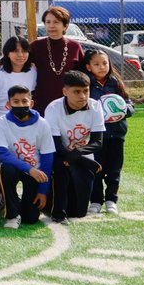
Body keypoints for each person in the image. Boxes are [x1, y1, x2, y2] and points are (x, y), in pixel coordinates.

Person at [44, 70, 105, 224]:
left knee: (79, 212)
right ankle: (56, 210)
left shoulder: (95, 106)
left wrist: (78, 155)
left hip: (81, 155)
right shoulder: (53, 108)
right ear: (65, 91)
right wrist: (85, 161)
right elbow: (55, 144)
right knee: (60, 170)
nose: (82, 96)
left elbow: (97, 142)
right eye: (76, 92)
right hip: (60, 154)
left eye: (86, 91)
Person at [0, 85, 55, 229]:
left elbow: (47, 158)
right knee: (6, 169)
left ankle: (11, 203)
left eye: (24, 101)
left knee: (30, 217)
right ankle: (12, 214)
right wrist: (29, 169)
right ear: (8, 105)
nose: (21, 105)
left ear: (31, 103)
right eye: (16, 102)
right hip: (16, 168)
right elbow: (3, 154)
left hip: (35, 172)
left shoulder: (42, 124)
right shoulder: (2, 122)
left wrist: (42, 191)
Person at [81, 49, 134, 215]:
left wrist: (125, 110)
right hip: (97, 136)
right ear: (88, 67)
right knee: (97, 169)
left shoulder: (115, 83)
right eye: (96, 64)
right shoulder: (86, 85)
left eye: (104, 63)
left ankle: (111, 200)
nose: (102, 67)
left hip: (117, 134)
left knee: (114, 170)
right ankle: (96, 201)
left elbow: (129, 104)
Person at [29, 6, 84, 113]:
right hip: (41, 101)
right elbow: (18, 60)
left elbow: (83, 76)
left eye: (56, 22)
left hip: (68, 102)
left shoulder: (75, 47)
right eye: (48, 22)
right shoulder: (36, 46)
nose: (51, 26)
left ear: (65, 25)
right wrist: (0, 63)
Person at [0, 35, 36, 121]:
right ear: (7, 53)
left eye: (24, 51)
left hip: (24, 122)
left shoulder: (32, 72)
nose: (20, 55)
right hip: (1, 121)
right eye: (15, 51)